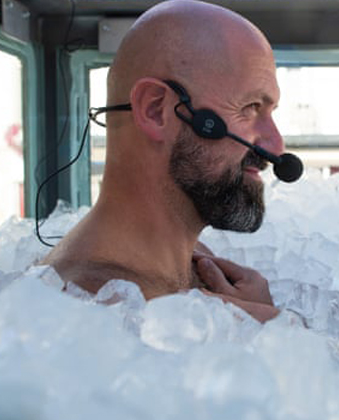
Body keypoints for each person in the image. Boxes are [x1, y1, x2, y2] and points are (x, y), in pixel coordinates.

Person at [41, 0, 282, 322]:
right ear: (156, 110)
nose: (276, 146)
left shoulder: (196, 262)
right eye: (250, 107)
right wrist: (277, 330)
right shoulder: (90, 313)